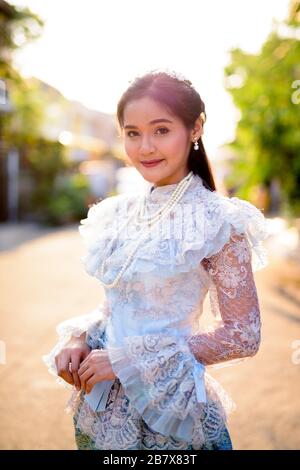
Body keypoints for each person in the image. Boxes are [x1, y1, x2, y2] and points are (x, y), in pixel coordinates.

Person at [43, 69, 270, 450]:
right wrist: (80, 338)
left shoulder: (219, 221)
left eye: (161, 130)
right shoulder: (118, 213)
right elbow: (118, 304)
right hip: (102, 409)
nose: (145, 147)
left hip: (171, 412)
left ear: (195, 128)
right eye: (132, 133)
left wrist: (127, 360)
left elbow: (243, 336)